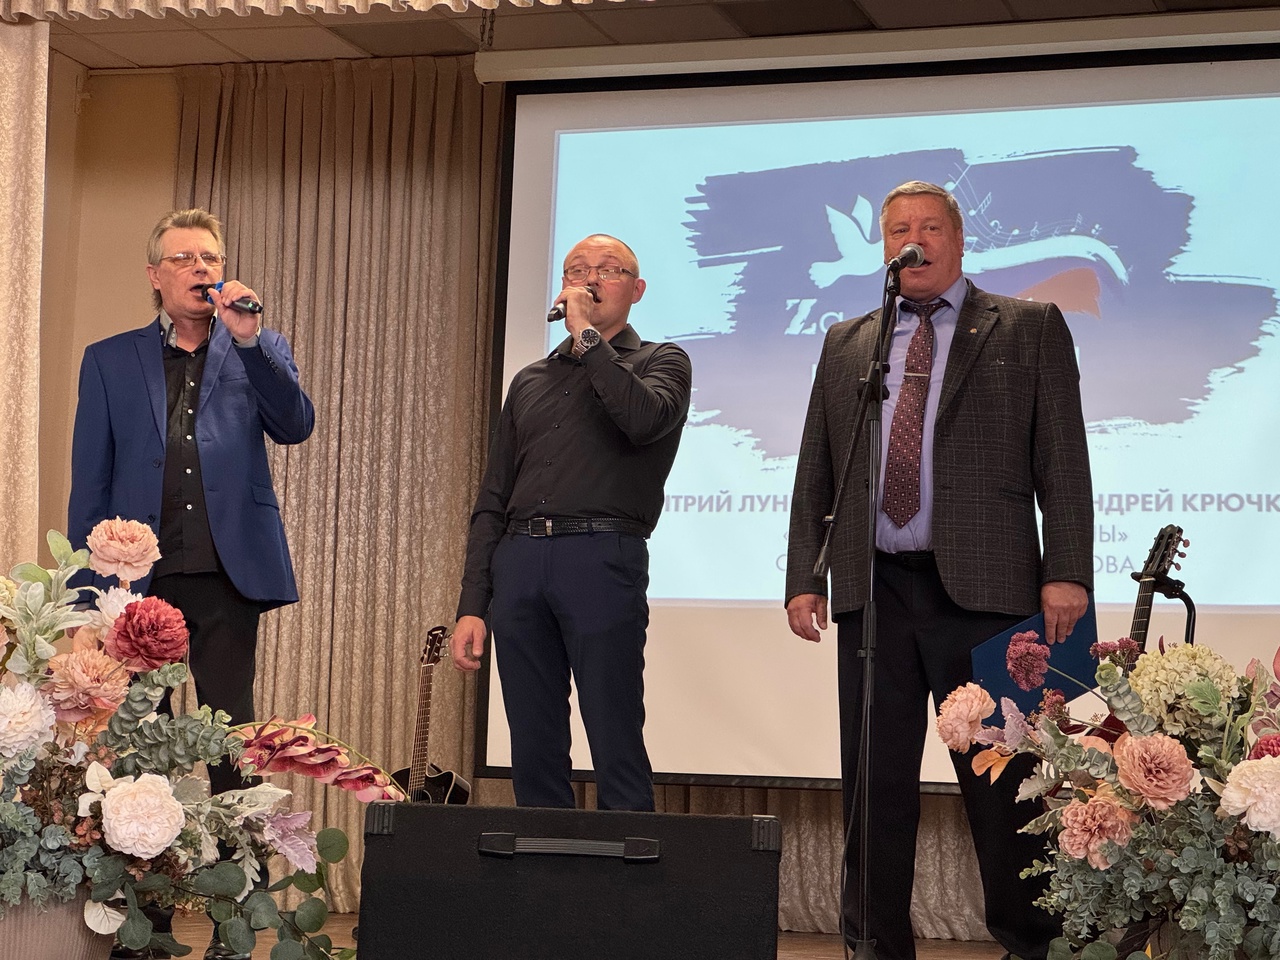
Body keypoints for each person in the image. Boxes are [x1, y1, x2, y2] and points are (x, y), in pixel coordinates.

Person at [785, 181, 1094, 960]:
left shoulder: (1027, 326)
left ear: (957, 241)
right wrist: (804, 576)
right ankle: (872, 946)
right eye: (898, 230)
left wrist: (1067, 571)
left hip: (989, 593)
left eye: (928, 227)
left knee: (1004, 790)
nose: (912, 240)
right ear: (885, 247)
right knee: (874, 786)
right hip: (875, 591)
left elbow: (1063, 459)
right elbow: (818, 466)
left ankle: (1032, 944)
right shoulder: (848, 342)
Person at [68, 208, 314, 960]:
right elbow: (90, 478)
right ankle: (146, 924)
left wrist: (252, 341)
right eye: (183, 258)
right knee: (140, 749)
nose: (200, 268)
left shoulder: (256, 347)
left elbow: (295, 424)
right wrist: (87, 592)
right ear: (155, 275)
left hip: (226, 575)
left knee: (230, 742)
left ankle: (238, 919)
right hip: (136, 581)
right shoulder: (108, 359)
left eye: (210, 257)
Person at [451, 234, 691, 812]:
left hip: (601, 555)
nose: (589, 280)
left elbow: (642, 420)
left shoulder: (662, 361)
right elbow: (494, 494)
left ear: (636, 289)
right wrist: (472, 603)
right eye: (577, 270)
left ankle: (627, 865)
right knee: (532, 739)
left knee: (613, 728)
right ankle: (545, 863)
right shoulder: (530, 379)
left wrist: (587, 338)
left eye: (607, 270)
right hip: (520, 559)